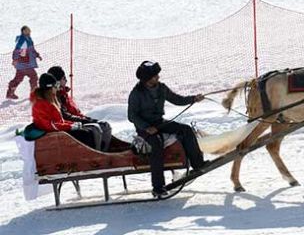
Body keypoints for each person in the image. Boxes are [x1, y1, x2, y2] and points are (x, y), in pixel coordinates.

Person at [127, 61, 207, 197]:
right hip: (145, 128)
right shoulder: (136, 93)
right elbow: (132, 116)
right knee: (156, 145)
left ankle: (198, 164)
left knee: (186, 130)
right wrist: (146, 127)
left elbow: (177, 99)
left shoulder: (161, 88)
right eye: (155, 76)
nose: (158, 77)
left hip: (159, 123)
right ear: (147, 79)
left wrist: (193, 99)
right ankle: (158, 187)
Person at [47, 66, 113, 151]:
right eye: (64, 78)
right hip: (66, 126)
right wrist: (85, 121)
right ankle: (96, 154)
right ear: (58, 81)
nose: (66, 81)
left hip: (75, 122)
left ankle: (105, 151)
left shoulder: (64, 94)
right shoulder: (54, 96)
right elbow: (65, 116)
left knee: (105, 126)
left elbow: (75, 112)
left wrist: (86, 119)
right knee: (95, 129)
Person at [31, 73, 99, 149]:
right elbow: (50, 125)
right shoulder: (40, 104)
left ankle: (95, 152)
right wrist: (70, 126)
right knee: (85, 133)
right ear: (49, 88)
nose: (57, 88)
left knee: (89, 130)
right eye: (55, 86)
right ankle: (87, 155)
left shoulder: (51, 100)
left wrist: (73, 124)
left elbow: (60, 121)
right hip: (50, 135)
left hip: (57, 131)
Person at [6, 26, 42, 100]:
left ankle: (10, 93)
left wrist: (37, 55)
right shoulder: (23, 40)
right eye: (27, 30)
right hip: (25, 64)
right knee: (33, 77)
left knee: (18, 79)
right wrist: (15, 59)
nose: (29, 31)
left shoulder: (28, 39)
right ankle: (34, 94)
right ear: (23, 31)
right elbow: (16, 50)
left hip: (23, 65)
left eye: (29, 30)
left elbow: (32, 50)